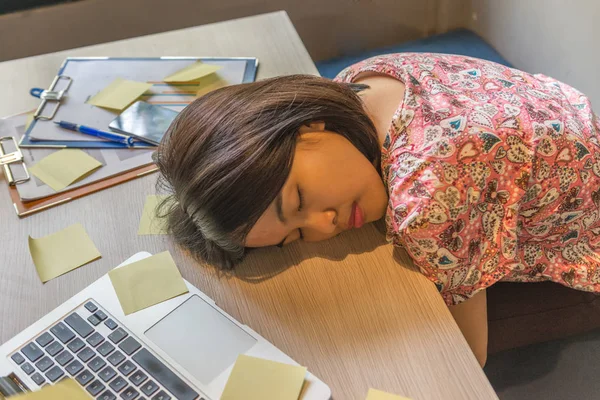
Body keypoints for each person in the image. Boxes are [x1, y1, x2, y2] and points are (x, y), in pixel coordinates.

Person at [154, 53, 600, 368]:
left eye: (299, 202)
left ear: (307, 125)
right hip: (568, 111)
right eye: (296, 237)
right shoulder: (359, 79)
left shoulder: (426, 197)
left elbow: (466, 360)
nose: (324, 227)